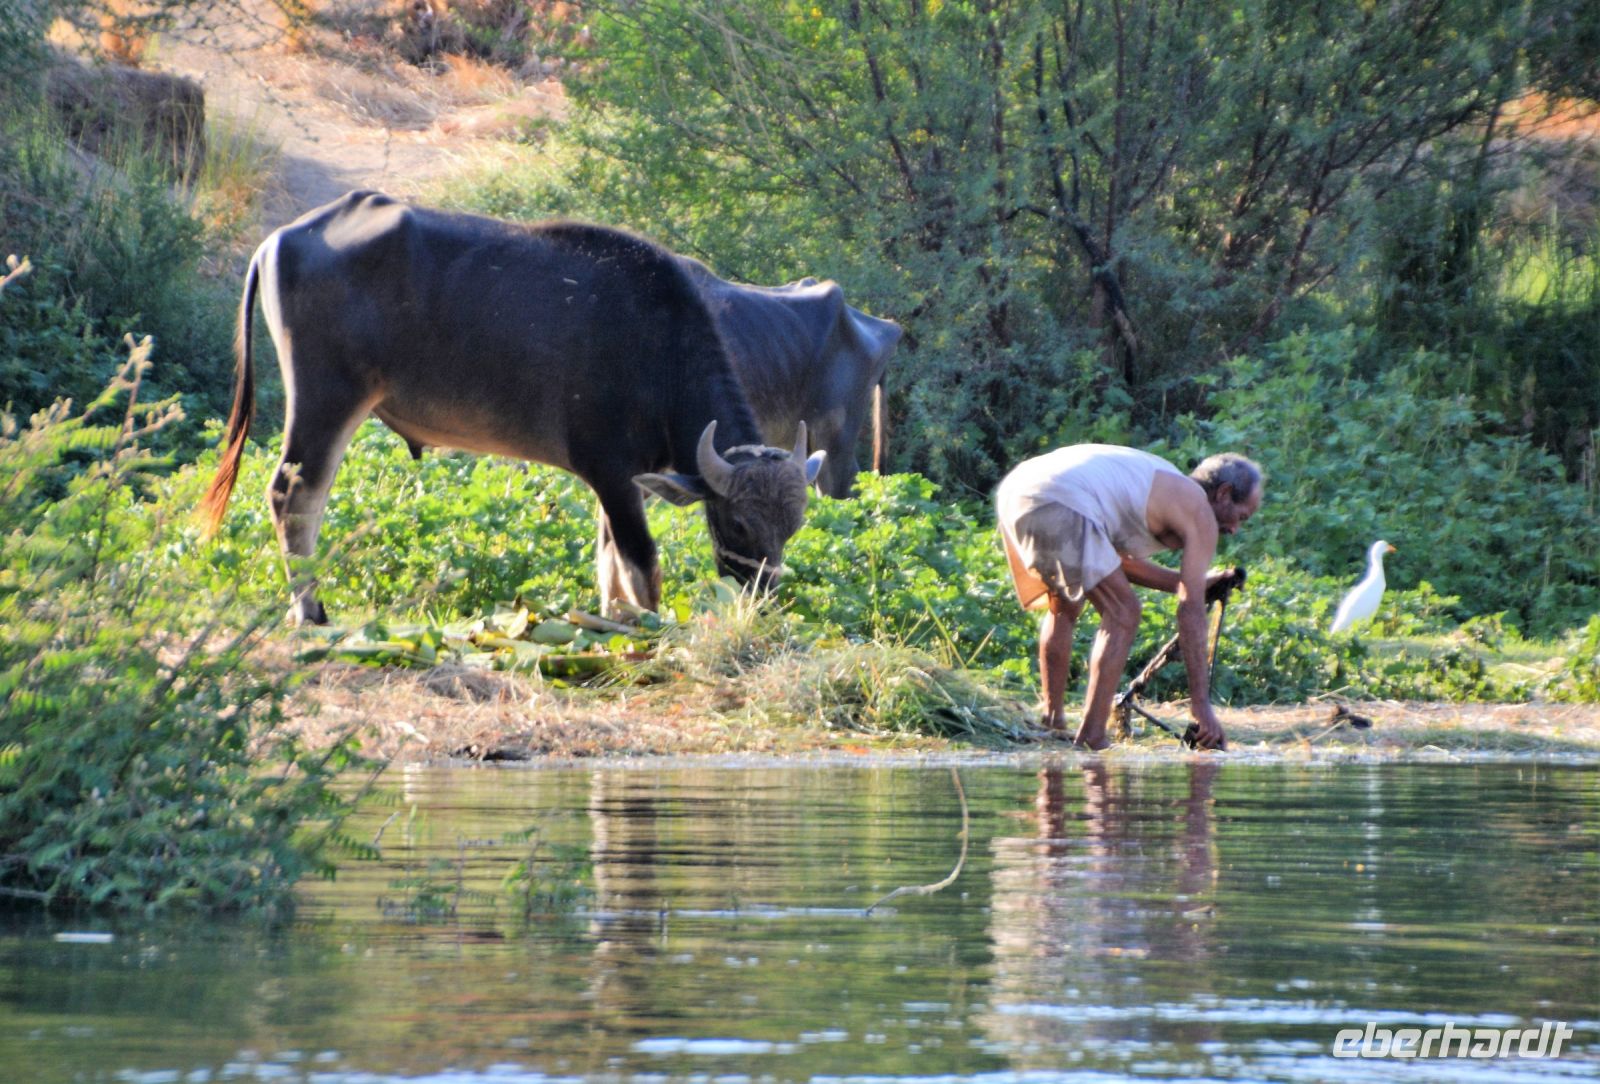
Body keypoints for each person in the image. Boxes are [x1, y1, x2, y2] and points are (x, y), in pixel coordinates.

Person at [995, 444, 1263, 750]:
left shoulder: (1159, 486)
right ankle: (1092, 737)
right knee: (1124, 612)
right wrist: (1201, 707)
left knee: (1064, 603)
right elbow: (1190, 610)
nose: (1236, 528)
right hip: (1063, 498)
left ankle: (1053, 720)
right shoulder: (1199, 510)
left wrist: (1193, 582)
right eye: (1241, 516)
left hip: (1020, 492)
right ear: (1224, 493)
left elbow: (1111, 562)